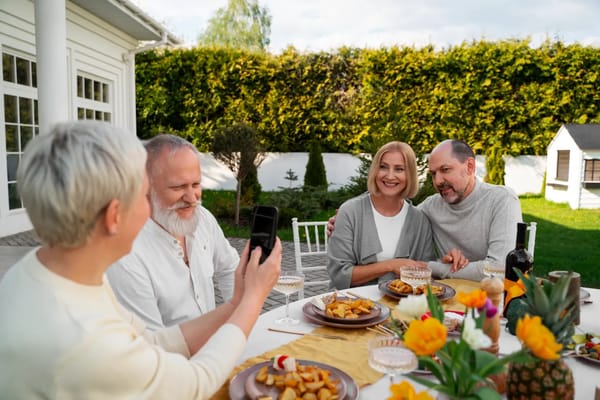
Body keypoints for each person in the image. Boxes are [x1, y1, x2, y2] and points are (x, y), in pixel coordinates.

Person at [0, 121, 281, 399]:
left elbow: (152, 342)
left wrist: (235, 304)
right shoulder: (82, 338)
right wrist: (253, 300)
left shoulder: (49, 274)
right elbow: (194, 385)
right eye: (143, 195)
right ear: (114, 216)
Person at [328, 139, 521, 281]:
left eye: (445, 170)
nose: (437, 181)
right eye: (433, 174)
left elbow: (498, 269)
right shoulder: (429, 208)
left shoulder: (501, 200)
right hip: (357, 305)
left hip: (495, 301)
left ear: (469, 166)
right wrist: (343, 220)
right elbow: (391, 214)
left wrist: (436, 266)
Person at [107, 134, 239, 329]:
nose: (192, 198)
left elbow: (229, 268)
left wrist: (236, 320)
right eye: (178, 187)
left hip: (215, 348)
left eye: (196, 184)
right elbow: (153, 345)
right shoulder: (126, 255)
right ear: (145, 187)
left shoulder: (202, 219)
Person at [327, 141, 435, 289]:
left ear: (409, 174)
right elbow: (339, 276)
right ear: (375, 170)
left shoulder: (420, 220)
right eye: (383, 167)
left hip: (404, 307)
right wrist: (390, 266)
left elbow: (426, 274)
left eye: (399, 169)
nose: (390, 176)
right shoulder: (350, 212)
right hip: (354, 306)